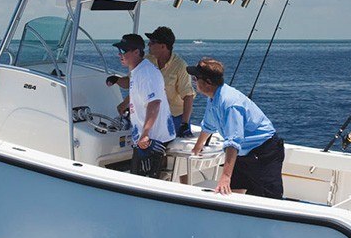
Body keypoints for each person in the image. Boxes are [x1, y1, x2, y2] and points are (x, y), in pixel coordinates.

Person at [187, 58, 284, 199]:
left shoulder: (230, 103)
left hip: (263, 153)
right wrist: (197, 147)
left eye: (196, 78)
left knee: (268, 199)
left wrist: (226, 176)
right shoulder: (213, 98)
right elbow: (208, 125)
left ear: (208, 82)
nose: (194, 81)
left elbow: (233, 142)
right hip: (244, 154)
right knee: (229, 194)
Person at [107, 26, 196, 138]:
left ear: (163, 46)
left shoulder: (180, 66)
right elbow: (134, 84)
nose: (148, 45)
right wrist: (116, 80)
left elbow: (188, 96)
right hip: (152, 115)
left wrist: (185, 123)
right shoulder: (147, 61)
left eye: (152, 42)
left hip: (173, 117)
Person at [112, 34, 176, 177]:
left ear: (136, 52)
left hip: (152, 139)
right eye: (119, 51)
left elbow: (154, 104)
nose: (120, 55)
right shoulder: (138, 71)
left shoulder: (146, 73)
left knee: (142, 181)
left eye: (124, 51)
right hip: (144, 138)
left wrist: (145, 134)